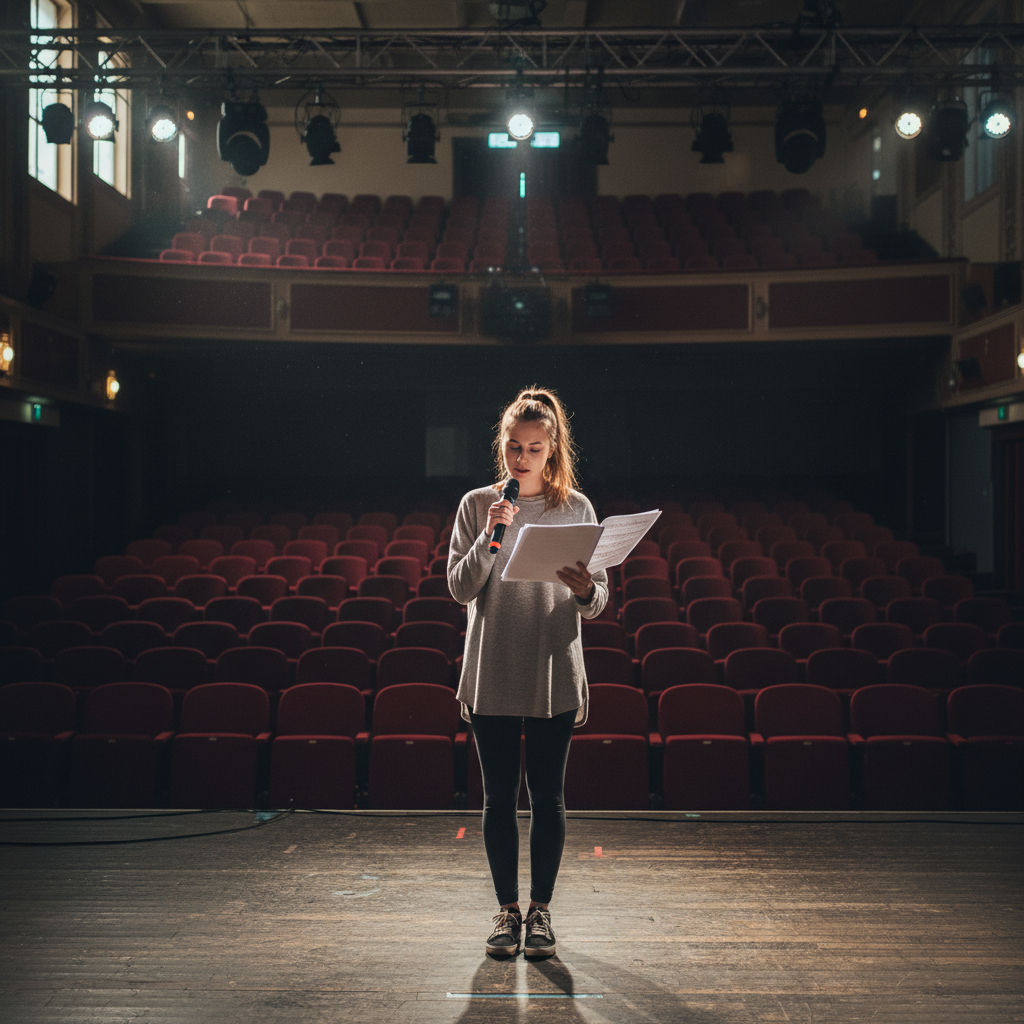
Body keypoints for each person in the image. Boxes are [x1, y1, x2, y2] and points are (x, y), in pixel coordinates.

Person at [447, 386, 609, 959]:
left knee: (548, 795)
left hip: (551, 667)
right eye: (514, 447)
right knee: (497, 798)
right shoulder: (476, 505)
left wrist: (588, 588)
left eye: (534, 448)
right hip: (492, 666)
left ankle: (540, 912)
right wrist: (493, 537)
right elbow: (459, 587)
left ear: (552, 448)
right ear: (503, 446)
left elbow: (598, 601)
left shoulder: (577, 508)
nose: (522, 458)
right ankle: (506, 911)